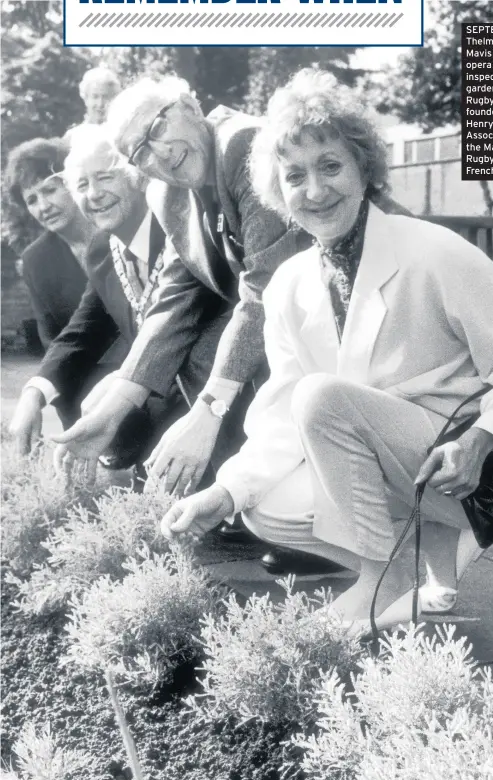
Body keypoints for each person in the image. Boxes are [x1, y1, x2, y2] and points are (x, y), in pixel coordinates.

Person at [160, 69, 493, 632]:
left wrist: (480, 440)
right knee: (265, 503)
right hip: (398, 463)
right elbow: (283, 415)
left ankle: (383, 580)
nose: (315, 190)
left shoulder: (435, 254)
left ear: (363, 168)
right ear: (276, 195)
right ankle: (413, 557)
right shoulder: (288, 285)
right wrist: (223, 493)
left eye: (331, 166)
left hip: (475, 470)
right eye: (294, 176)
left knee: (322, 398)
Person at [51, 76, 312, 503]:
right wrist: (117, 403)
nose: (160, 153)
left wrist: (208, 411)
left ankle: (291, 506)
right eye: (140, 152)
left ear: (190, 104)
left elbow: (266, 288)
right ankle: (236, 503)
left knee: (221, 349)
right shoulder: (166, 194)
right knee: (199, 347)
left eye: (156, 129)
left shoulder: (242, 145)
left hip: (336, 304)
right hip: (282, 310)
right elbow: (177, 296)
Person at [11, 128, 228, 477]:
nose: (93, 195)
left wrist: (120, 388)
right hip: (154, 421)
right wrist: (33, 393)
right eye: (81, 185)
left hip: (219, 406)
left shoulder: (181, 228)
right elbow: (81, 332)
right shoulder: (104, 249)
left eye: (104, 178)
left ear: (136, 177)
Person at [6, 138, 97, 350]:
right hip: (88, 371)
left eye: (49, 190)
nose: (44, 206)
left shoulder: (114, 230)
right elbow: (53, 340)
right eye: (32, 200)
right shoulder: (35, 261)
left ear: (72, 184)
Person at [64, 67, 121, 142]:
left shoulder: (119, 136)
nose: (100, 104)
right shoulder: (73, 137)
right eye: (95, 96)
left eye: (106, 97)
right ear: (85, 99)